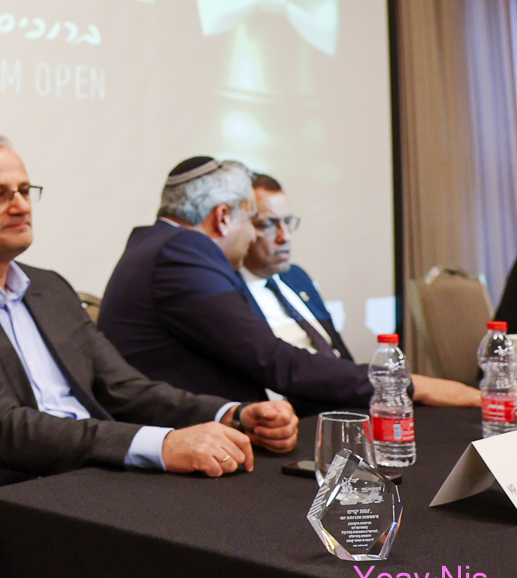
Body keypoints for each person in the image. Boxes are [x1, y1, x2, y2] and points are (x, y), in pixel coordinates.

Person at [0, 134, 297, 578]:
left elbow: (125, 388)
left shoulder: (51, 289)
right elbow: (1, 429)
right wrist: (162, 444)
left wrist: (232, 415)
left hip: (92, 488)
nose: (20, 206)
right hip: (1, 511)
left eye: (25, 190)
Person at [98, 157, 478, 417]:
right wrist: (406, 384)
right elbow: (273, 360)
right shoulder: (182, 252)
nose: (253, 236)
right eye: (252, 221)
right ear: (223, 218)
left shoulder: (156, 245)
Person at [243, 173, 352, 360]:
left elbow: (340, 352)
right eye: (268, 224)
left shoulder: (296, 276)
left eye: (287, 221)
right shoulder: (230, 292)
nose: (285, 236)